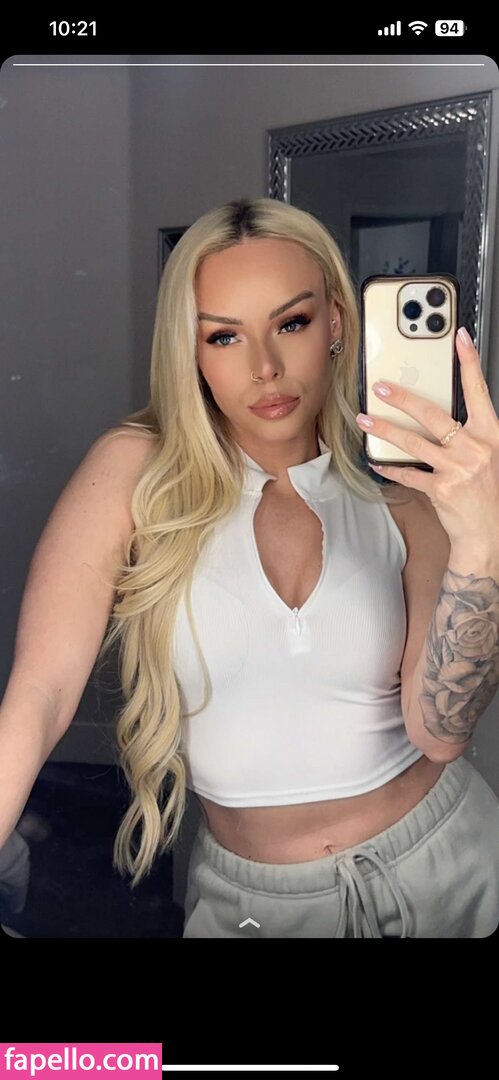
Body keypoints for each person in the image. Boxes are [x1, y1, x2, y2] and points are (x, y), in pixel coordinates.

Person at [1, 197, 499, 938]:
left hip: (454, 868)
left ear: (336, 322)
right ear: (191, 351)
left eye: (291, 323)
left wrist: (482, 542)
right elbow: (40, 693)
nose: (264, 367)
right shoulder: (136, 471)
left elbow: (441, 733)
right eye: (225, 336)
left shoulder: (405, 496)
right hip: (255, 908)